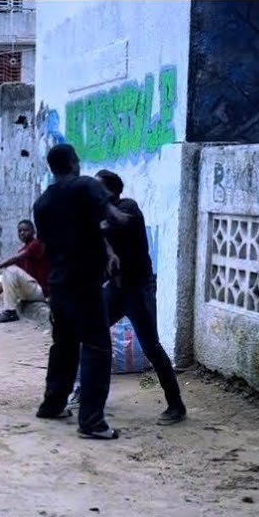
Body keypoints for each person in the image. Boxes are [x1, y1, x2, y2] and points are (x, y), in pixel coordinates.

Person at [33, 144, 133, 439]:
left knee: (63, 345)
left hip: (59, 283)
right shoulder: (85, 185)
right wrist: (122, 220)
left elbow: (45, 246)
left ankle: (52, 404)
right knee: (97, 347)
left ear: (53, 167)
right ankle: (91, 422)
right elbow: (112, 216)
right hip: (85, 283)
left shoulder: (43, 202)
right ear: (74, 162)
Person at [94, 169, 187, 425]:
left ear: (112, 190)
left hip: (138, 289)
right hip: (116, 288)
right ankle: (87, 394)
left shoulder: (128, 207)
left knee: (151, 347)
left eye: (99, 187)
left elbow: (120, 223)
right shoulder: (100, 213)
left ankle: (176, 405)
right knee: (91, 336)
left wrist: (101, 207)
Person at [0, 219, 49, 324]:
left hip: (39, 291)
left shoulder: (36, 244)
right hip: (27, 290)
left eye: (26, 230)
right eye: (20, 231)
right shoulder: (22, 250)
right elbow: (7, 280)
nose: (22, 233)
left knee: (9, 269)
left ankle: (10, 312)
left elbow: (13, 260)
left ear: (33, 232)